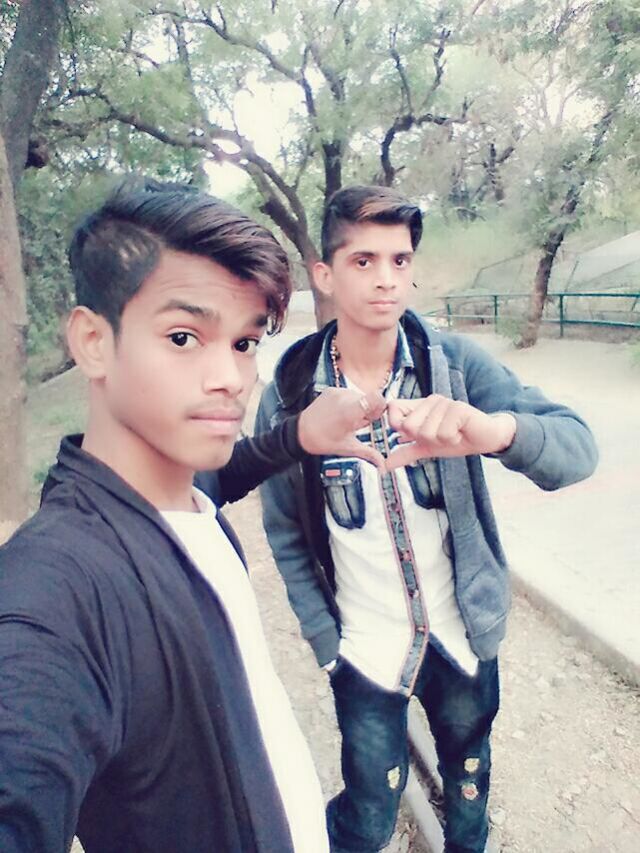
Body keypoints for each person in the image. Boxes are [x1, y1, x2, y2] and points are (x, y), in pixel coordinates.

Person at [0, 178, 384, 853]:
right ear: (93, 341)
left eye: (243, 343)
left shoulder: (180, 490)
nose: (231, 378)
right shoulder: (57, 585)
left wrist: (301, 434)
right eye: (184, 337)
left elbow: (224, 474)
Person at [255, 185, 598, 853]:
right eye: (363, 261)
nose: (386, 279)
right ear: (324, 274)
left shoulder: (455, 367)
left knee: (468, 787)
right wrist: (326, 641)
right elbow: (285, 533)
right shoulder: (291, 394)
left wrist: (494, 431)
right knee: (369, 817)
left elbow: (577, 450)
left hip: (461, 639)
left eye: (400, 260)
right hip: (364, 651)